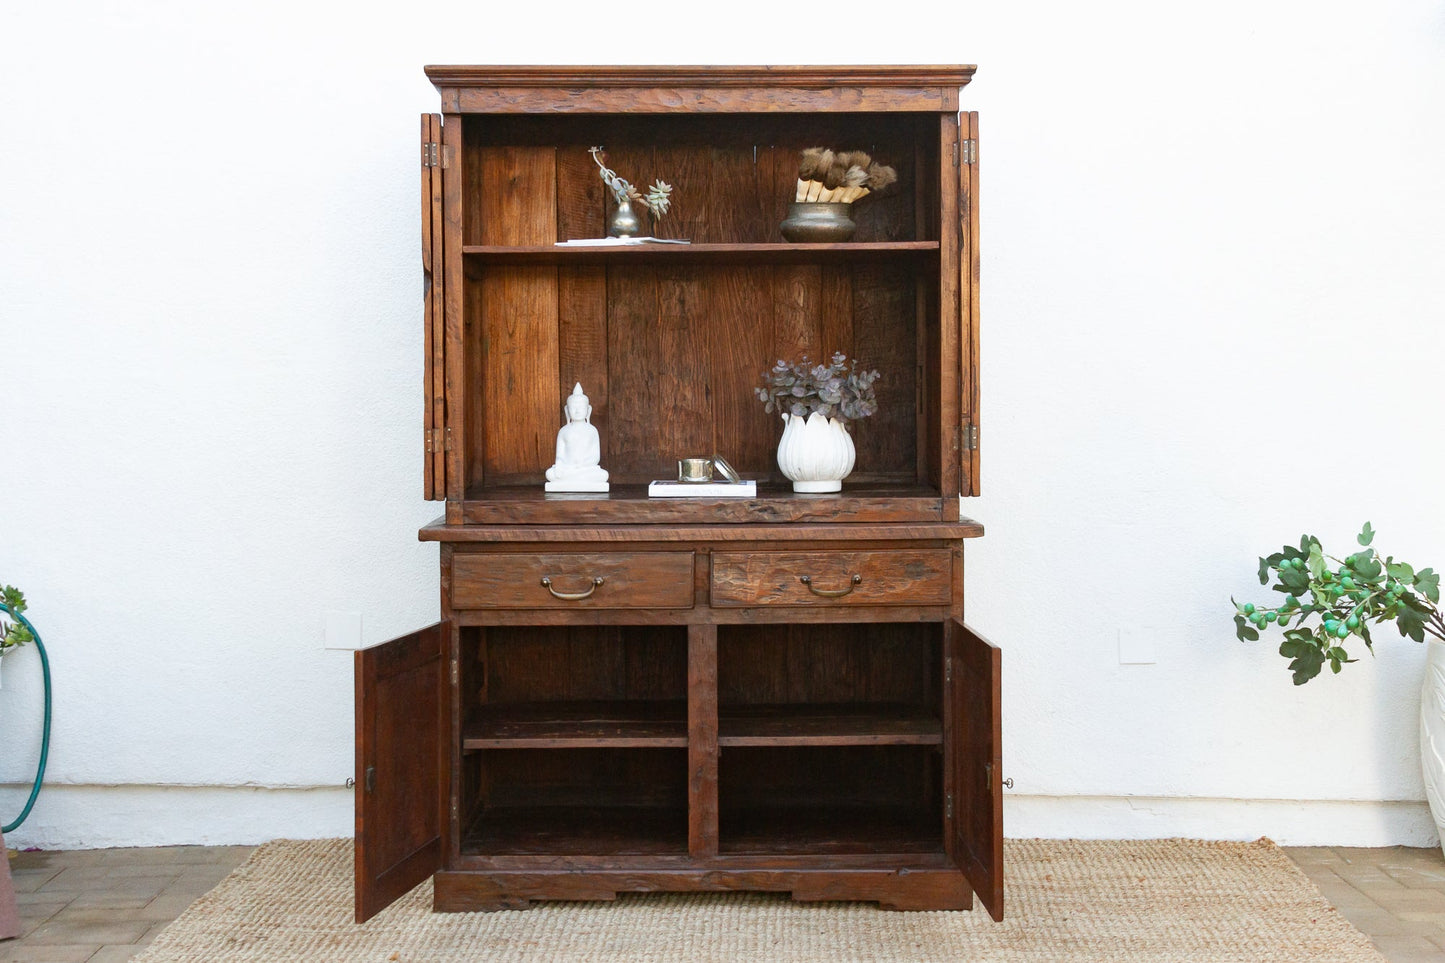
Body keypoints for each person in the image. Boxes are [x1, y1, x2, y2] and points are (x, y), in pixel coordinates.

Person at [544, 383, 609, 491]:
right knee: (550, 474)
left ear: (588, 410)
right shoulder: (563, 431)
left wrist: (582, 464)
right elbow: (560, 456)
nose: (577, 411)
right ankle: (574, 478)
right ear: (567, 410)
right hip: (568, 468)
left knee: (603, 475)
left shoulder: (592, 431)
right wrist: (560, 465)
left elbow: (595, 457)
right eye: (573, 407)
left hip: (586, 469)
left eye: (581, 407)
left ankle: (574, 478)